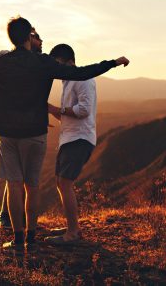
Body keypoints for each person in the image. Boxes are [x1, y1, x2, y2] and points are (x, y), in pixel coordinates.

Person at [0, 16, 129, 251]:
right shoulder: (43, 62)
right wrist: (112, 62)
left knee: (13, 185)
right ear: (28, 37)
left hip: (8, 133)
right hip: (35, 132)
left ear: (11, 37)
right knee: (32, 185)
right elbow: (82, 72)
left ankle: (18, 239)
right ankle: (32, 237)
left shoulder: (0, 61)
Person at [0, 28, 43, 228]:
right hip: (9, 128)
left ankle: (13, 219)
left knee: (18, 176)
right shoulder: (8, 61)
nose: (41, 41)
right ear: (27, 39)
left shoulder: (35, 63)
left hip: (26, 126)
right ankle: (7, 217)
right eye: (36, 37)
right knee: (15, 176)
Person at [45, 44, 99, 244]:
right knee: (61, 182)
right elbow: (70, 115)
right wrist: (51, 110)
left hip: (79, 139)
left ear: (69, 62)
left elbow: (83, 110)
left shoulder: (82, 78)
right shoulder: (68, 82)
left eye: (57, 64)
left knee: (65, 183)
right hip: (69, 138)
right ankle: (71, 225)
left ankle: (73, 233)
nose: (56, 69)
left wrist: (57, 108)